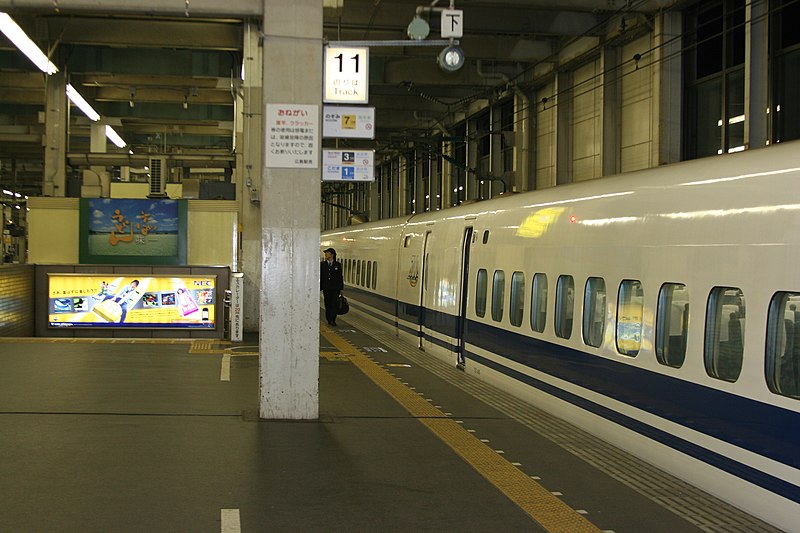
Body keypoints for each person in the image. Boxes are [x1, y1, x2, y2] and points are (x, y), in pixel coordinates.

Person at [320, 247, 343, 326]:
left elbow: (340, 277)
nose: (326, 254)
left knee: (334, 303)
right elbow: (321, 276)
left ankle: (332, 319)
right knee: (327, 303)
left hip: (335, 288)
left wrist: (340, 288)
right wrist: (320, 287)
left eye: (327, 253)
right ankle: (328, 318)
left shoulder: (337, 265)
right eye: (325, 253)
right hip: (326, 288)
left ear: (332, 254)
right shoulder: (322, 264)